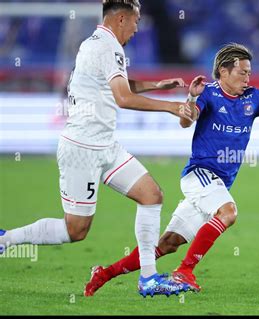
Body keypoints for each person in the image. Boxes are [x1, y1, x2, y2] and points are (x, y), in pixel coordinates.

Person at [84, 42, 259, 296]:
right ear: (223, 71)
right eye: (242, 72)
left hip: (218, 184)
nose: (247, 78)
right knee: (229, 212)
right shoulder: (208, 94)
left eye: (249, 73)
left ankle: (104, 273)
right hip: (199, 175)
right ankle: (185, 271)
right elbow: (185, 121)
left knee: (167, 244)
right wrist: (190, 97)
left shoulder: (254, 98)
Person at [0, 0, 195, 297]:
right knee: (76, 230)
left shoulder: (96, 43)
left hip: (104, 144)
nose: (137, 28)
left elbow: (115, 86)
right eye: (136, 21)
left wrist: (157, 85)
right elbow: (123, 98)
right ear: (120, 19)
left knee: (151, 195)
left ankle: (148, 278)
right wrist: (172, 107)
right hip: (82, 148)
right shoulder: (108, 47)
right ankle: (7, 239)